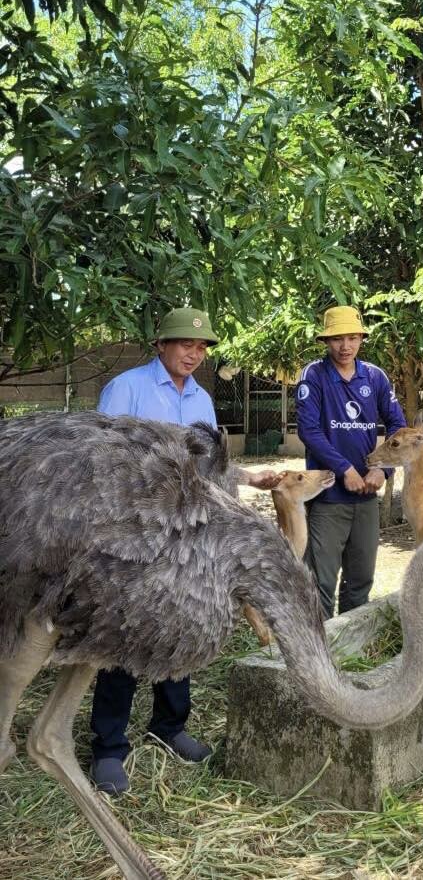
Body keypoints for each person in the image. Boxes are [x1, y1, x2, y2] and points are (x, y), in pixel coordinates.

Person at [90, 307, 278, 796]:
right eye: (185, 345)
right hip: (132, 536)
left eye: (202, 348)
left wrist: (242, 488)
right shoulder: (126, 389)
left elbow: (209, 471)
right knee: (124, 634)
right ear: (162, 346)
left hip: (186, 537)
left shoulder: (202, 400)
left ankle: (169, 726)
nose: (195, 353)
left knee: (182, 628)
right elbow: (99, 463)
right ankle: (110, 745)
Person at [296, 305, 406, 618]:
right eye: (337, 339)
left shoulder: (375, 377)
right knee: (320, 583)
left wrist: (382, 469)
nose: (345, 346)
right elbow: (309, 430)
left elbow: (399, 427)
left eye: (353, 338)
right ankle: (320, 654)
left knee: (360, 580)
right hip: (329, 496)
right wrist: (344, 469)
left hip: (366, 497)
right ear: (325, 341)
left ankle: (349, 648)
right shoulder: (314, 376)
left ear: (361, 338)